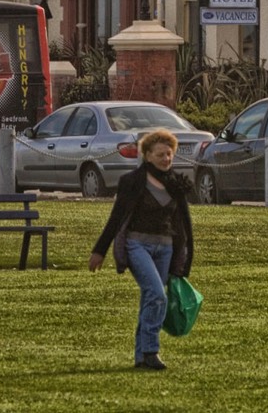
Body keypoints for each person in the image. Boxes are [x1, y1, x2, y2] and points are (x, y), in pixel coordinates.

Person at [89, 128, 194, 371]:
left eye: (169, 154)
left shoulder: (176, 183)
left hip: (166, 247)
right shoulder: (132, 181)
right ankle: (151, 350)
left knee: (151, 298)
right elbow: (116, 218)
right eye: (160, 154)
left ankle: (141, 357)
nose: (166, 159)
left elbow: (185, 225)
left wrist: (185, 259)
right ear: (147, 155)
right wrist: (99, 251)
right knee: (157, 294)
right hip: (137, 244)